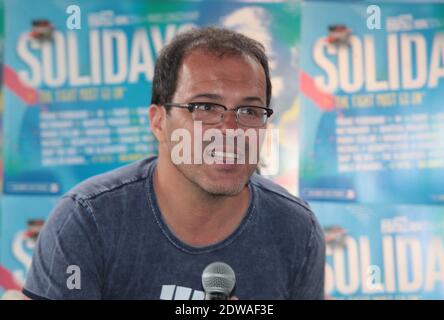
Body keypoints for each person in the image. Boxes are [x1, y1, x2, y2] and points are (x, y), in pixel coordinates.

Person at [23, 27, 325, 300]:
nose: (231, 130)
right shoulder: (88, 219)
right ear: (158, 121)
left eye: (249, 110)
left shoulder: (297, 230)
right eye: (205, 107)